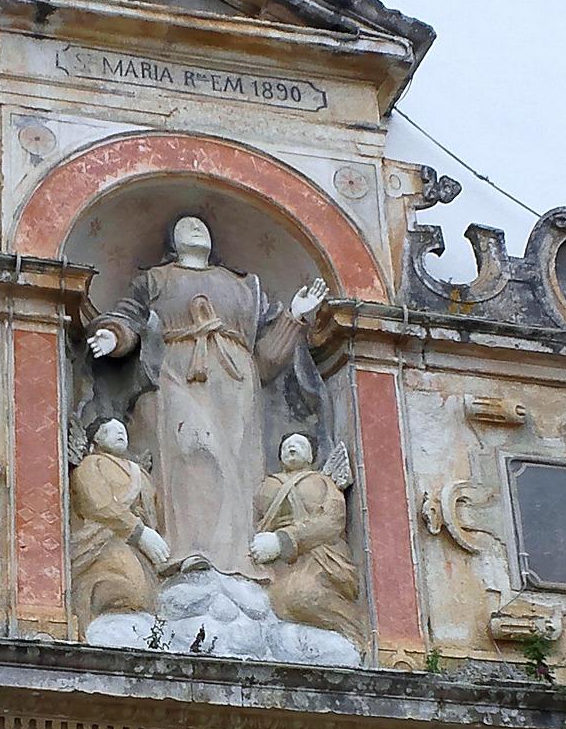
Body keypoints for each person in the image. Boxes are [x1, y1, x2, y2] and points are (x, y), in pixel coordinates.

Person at [87, 215, 327, 579]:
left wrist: (294, 316)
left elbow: (266, 360)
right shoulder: (155, 279)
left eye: (201, 224)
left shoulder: (246, 286)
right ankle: (188, 549)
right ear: (173, 241)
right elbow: (129, 317)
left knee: (236, 463)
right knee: (190, 448)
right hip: (179, 371)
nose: (196, 227)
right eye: (186, 225)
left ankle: (236, 557)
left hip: (236, 381)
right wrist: (113, 335)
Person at [250, 433, 361, 637]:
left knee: (303, 595)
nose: (291, 447)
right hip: (273, 560)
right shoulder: (267, 485)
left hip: (320, 555)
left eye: (299, 444)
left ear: (311, 456)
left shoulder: (323, 482)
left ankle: (352, 631)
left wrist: (283, 541)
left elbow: (332, 520)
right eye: (286, 446)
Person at [69, 418, 169, 625]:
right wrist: (138, 532)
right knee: (130, 587)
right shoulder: (92, 464)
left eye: (123, 430)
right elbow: (97, 504)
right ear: (97, 438)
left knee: (153, 595)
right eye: (112, 431)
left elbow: (154, 508)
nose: (121, 434)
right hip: (105, 538)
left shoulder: (139, 472)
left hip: (142, 546)